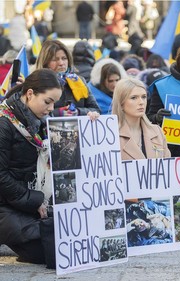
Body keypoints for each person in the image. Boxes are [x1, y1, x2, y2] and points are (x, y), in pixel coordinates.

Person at [0, 69, 62, 264]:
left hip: (27, 202)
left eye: (54, 103)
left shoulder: (38, 122)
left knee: (62, 243)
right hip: (7, 203)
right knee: (51, 251)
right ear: (30, 94)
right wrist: (36, 201)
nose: (51, 108)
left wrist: (91, 121)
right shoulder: (4, 123)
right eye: (48, 101)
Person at [35, 39, 101, 116]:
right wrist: (58, 113)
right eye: (55, 59)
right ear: (45, 62)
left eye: (64, 58)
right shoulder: (38, 83)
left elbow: (96, 110)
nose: (61, 63)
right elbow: (35, 112)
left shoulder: (79, 80)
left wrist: (78, 112)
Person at [112, 77, 171, 160]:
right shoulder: (111, 136)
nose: (141, 102)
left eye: (143, 97)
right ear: (121, 103)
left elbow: (166, 167)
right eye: (134, 98)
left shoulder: (157, 132)